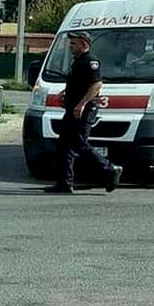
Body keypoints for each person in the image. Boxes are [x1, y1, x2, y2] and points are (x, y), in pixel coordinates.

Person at [46, 31, 123, 194]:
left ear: (83, 44)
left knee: (78, 143)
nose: (70, 46)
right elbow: (79, 84)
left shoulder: (90, 61)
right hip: (73, 108)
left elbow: (96, 85)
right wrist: (65, 93)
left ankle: (110, 169)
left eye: (73, 43)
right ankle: (64, 183)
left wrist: (81, 104)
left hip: (82, 110)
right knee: (64, 145)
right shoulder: (79, 61)